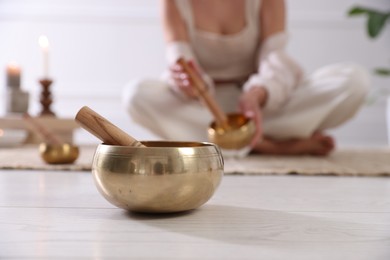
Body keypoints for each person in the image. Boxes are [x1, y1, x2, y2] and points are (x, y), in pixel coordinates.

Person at [123, 0, 369, 156]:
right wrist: (186, 84)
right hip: (205, 108)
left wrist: (258, 95)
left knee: (354, 81)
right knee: (137, 95)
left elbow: (275, 58)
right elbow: (179, 59)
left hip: (259, 107)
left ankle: (237, 143)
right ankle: (273, 145)